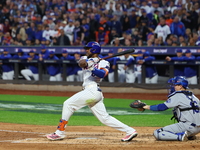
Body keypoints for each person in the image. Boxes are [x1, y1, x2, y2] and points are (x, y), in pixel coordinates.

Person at [46, 41, 138, 142]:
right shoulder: (85, 58)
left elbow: (102, 74)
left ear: (94, 50)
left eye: (88, 48)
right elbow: (81, 63)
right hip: (91, 92)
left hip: (93, 90)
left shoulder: (104, 62)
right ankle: (130, 131)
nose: (86, 50)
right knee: (104, 118)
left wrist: (91, 67)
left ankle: (59, 133)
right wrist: (89, 62)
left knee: (68, 104)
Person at [141, 76, 200, 141]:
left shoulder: (178, 95)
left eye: (175, 85)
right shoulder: (193, 96)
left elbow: (162, 107)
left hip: (188, 126)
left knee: (157, 133)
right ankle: (190, 135)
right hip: (198, 128)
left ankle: (180, 136)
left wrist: (145, 106)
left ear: (180, 86)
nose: (173, 86)